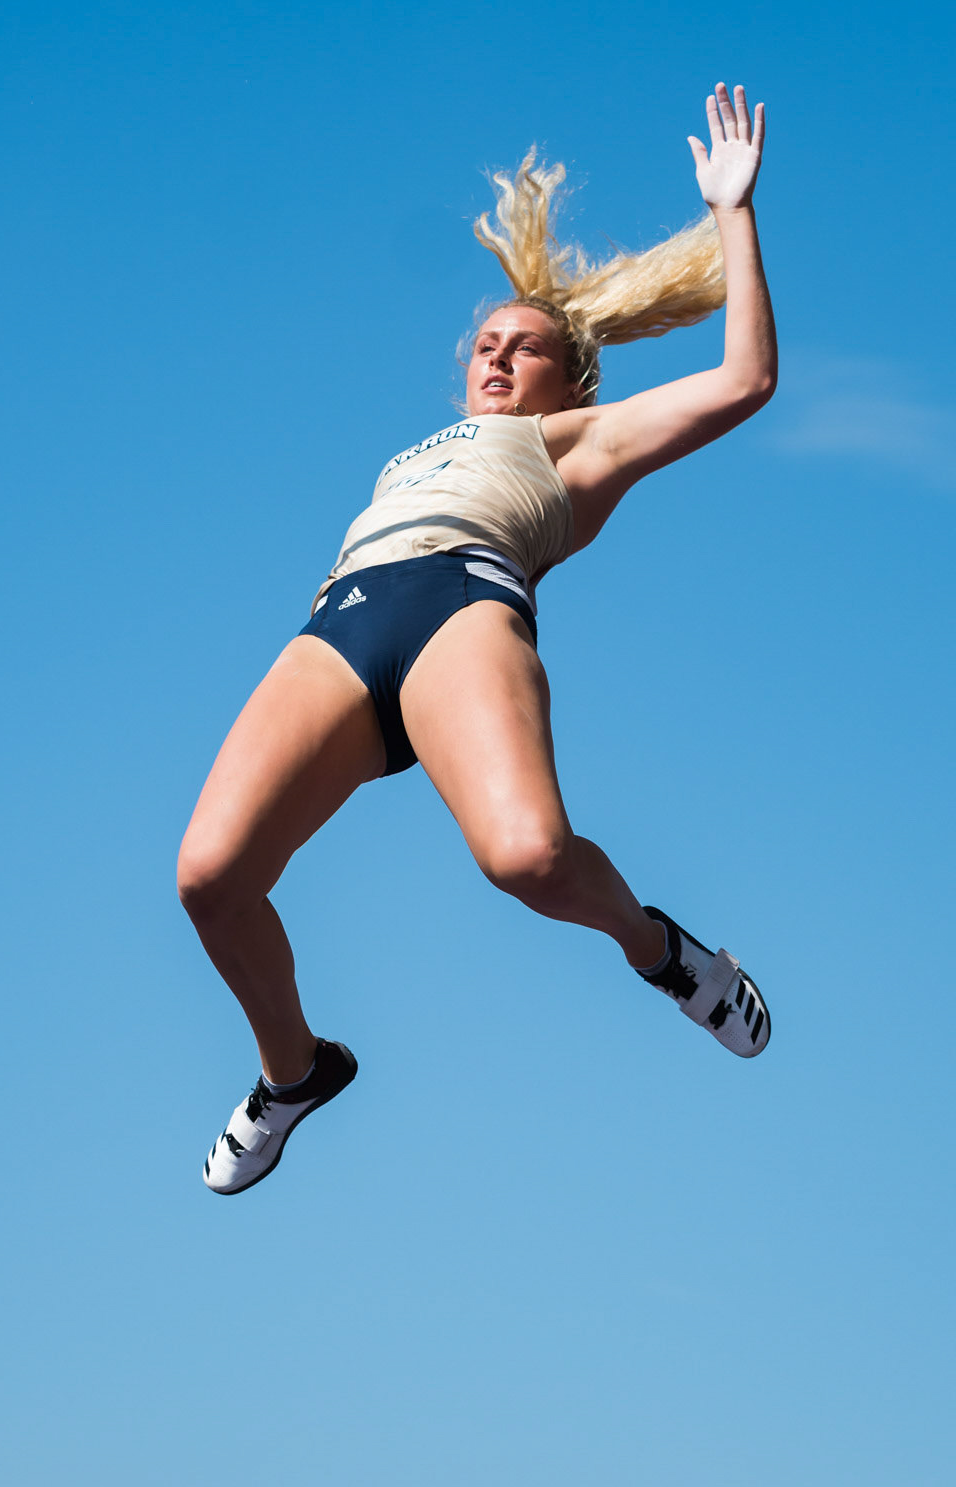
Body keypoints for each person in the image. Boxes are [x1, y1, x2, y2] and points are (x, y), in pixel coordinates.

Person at [179, 83, 777, 1196]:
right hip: (342, 620)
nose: (496, 359)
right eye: (486, 344)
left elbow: (747, 380)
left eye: (527, 349)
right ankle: (294, 1072)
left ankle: (664, 954)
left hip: (462, 602)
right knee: (210, 878)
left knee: (527, 859)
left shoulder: (578, 441)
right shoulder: (412, 450)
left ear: (573, 377)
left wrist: (732, 214)